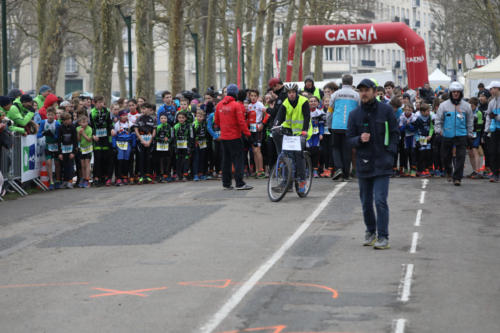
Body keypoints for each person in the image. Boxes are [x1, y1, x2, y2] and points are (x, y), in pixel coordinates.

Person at [346, 79, 399, 250]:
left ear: (375, 92)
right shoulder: (354, 115)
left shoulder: (386, 110)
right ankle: (370, 231)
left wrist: (390, 153)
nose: (364, 93)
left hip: (382, 163)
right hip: (364, 164)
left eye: (367, 90)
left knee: (380, 200)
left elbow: (394, 133)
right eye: (361, 90)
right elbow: (348, 139)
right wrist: (359, 139)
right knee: (365, 202)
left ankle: (383, 237)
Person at [273, 83, 313, 193]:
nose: (291, 95)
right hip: (290, 131)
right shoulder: (285, 103)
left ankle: (301, 181)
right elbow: (279, 117)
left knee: (298, 155)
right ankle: (287, 183)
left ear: (296, 92)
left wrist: (304, 131)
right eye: (289, 93)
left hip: (303, 131)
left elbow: (306, 117)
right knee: (286, 154)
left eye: (293, 92)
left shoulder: (303, 101)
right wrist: (275, 126)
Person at [434, 82, 474, 186]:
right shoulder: (443, 105)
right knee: (446, 156)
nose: (455, 94)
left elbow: (470, 121)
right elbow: (438, 120)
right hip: (447, 135)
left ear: (461, 93)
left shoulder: (467, 106)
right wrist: (439, 130)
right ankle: (448, 171)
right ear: (450, 93)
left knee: (461, 157)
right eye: (453, 92)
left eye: (458, 92)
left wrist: (469, 133)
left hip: (462, 135)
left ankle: (457, 178)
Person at [214, 84, 253, 190]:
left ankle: (226, 183)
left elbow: (216, 121)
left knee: (226, 160)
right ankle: (239, 183)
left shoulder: (219, 105)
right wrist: (248, 134)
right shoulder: (236, 105)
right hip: (235, 137)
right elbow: (241, 122)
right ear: (235, 93)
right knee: (238, 160)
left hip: (224, 137)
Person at [329, 74, 360, 181]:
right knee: (347, 150)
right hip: (350, 126)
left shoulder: (335, 95)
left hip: (336, 125)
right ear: (351, 83)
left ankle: (338, 168)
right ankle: (346, 174)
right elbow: (360, 111)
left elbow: (329, 111)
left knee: (336, 148)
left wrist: (329, 124)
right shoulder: (356, 95)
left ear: (342, 82)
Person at [90, 96, 114, 186]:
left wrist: (111, 129)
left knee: (106, 157)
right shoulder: (92, 113)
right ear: (94, 103)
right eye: (98, 103)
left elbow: (109, 122)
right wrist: (93, 135)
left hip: (106, 138)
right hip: (97, 138)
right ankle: (97, 177)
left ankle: (105, 177)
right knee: (98, 158)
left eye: (102, 102)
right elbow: (91, 125)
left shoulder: (107, 111)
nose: (100, 104)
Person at [37, 107, 61, 190]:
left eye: (52, 115)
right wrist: (44, 133)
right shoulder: (43, 122)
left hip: (56, 146)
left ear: (55, 115)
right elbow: (38, 134)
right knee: (49, 163)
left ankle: (57, 180)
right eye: (48, 115)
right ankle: (51, 181)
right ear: (46, 115)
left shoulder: (57, 124)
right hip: (48, 145)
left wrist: (52, 135)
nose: (50, 116)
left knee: (57, 164)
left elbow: (58, 137)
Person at [247, 89, 267, 178]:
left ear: (258, 97)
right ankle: (256, 170)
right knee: (254, 151)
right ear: (249, 96)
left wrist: (262, 124)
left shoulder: (259, 104)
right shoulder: (249, 106)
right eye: (252, 96)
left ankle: (261, 170)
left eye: (255, 96)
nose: (253, 97)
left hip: (258, 129)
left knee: (258, 150)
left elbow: (267, 114)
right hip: (251, 129)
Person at [134, 103, 156, 184]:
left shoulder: (153, 118)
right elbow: (136, 130)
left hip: (149, 141)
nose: (143, 110)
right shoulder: (139, 118)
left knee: (148, 158)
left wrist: (149, 141)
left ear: (149, 109)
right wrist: (142, 140)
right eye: (142, 109)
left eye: (145, 108)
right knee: (141, 159)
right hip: (141, 142)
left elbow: (154, 131)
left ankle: (148, 176)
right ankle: (141, 176)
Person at [113, 110, 135, 185]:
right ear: (120, 116)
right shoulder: (117, 125)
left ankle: (125, 176)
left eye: (126, 115)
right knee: (120, 160)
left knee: (126, 160)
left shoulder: (130, 124)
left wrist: (133, 146)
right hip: (119, 144)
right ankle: (119, 177)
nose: (125, 117)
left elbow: (133, 136)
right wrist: (114, 146)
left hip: (128, 144)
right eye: (123, 115)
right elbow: (114, 136)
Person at [484, 81, 500, 182]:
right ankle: (495, 174)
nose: (490, 91)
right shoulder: (491, 102)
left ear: (497, 89)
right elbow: (488, 117)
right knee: (493, 152)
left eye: (491, 89)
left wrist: (497, 117)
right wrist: (487, 130)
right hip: (494, 131)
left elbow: (493, 116)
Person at [57, 112, 78, 189]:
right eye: (68, 119)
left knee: (70, 166)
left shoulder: (73, 127)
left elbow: (75, 141)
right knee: (63, 166)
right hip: (63, 150)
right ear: (63, 120)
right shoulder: (60, 128)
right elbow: (59, 140)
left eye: (70, 119)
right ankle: (64, 181)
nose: (69, 120)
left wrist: (73, 152)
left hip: (70, 149)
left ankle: (70, 181)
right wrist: (59, 153)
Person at [306, 96, 324, 178]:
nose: (313, 103)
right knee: (307, 151)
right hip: (307, 135)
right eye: (311, 101)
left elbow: (321, 125)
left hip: (316, 136)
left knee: (316, 152)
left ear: (318, 103)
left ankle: (315, 170)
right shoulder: (305, 112)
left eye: (314, 101)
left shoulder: (320, 113)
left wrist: (321, 134)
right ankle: (307, 170)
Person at [466, 97, 484, 179]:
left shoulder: (479, 113)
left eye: (472, 105)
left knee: (475, 151)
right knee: (470, 153)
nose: (471, 107)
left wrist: (474, 124)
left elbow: (480, 125)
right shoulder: (467, 112)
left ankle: (478, 171)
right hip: (469, 134)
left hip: (476, 134)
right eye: (469, 105)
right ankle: (474, 170)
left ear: (476, 105)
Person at [414, 103, 434, 177]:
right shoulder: (418, 119)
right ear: (422, 112)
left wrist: (430, 135)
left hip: (427, 138)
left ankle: (426, 169)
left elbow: (432, 127)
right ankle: (420, 170)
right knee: (421, 154)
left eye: (429, 111)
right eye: (427, 111)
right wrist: (417, 139)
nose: (429, 113)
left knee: (427, 154)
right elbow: (415, 130)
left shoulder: (430, 117)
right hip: (421, 138)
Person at [173, 111, 193, 182]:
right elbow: (173, 138)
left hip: (186, 146)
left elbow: (191, 137)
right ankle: (179, 175)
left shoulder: (189, 126)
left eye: (183, 118)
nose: (181, 119)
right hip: (178, 146)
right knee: (178, 160)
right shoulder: (175, 126)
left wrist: (189, 147)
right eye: (179, 118)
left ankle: (185, 174)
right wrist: (175, 147)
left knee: (186, 160)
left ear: (185, 118)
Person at [399, 103, 418, 177]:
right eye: (406, 110)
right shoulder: (402, 116)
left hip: (413, 136)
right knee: (405, 153)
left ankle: (413, 169)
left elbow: (415, 128)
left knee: (412, 152)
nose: (407, 111)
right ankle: (406, 168)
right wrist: (405, 125)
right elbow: (400, 129)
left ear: (412, 110)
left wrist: (409, 125)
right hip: (405, 137)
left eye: (409, 110)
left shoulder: (414, 116)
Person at [155, 114, 173, 182]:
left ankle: (167, 174)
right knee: (161, 160)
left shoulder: (170, 127)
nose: (163, 119)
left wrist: (168, 140)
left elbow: (172, 137)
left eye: (165, 118)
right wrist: (161, 139)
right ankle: (162, 174)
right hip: (160, 147)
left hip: (168, 146)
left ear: (167, 119)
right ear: (159, 120)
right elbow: (155, 137)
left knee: (168, 159)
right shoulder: (158, 127)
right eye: (162, 118)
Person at [77, 115, 93, 188]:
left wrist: (83, 133)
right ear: (79, 123)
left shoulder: (89, 129)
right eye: (82, 122)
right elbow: (78, 140)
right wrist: (79, 134)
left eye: (86, 122)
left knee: (87, 164)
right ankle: (83, 179)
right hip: (81, 148)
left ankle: (87, 179)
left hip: (88, 148)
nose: (84, 124)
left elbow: (89, 139)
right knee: (82, 165)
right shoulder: (78, 129)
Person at [192, 109, 208, 181]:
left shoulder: (205, 124)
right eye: (197, 116)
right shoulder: (194, 124)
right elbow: (192, 135)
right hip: (196, 144)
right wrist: (194, 142)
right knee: (196, 159)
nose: (199, 118)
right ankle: (195, 174)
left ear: (203, 117)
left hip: (203, 143)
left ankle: (201, 173)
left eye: (200, 116)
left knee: (202, 158)